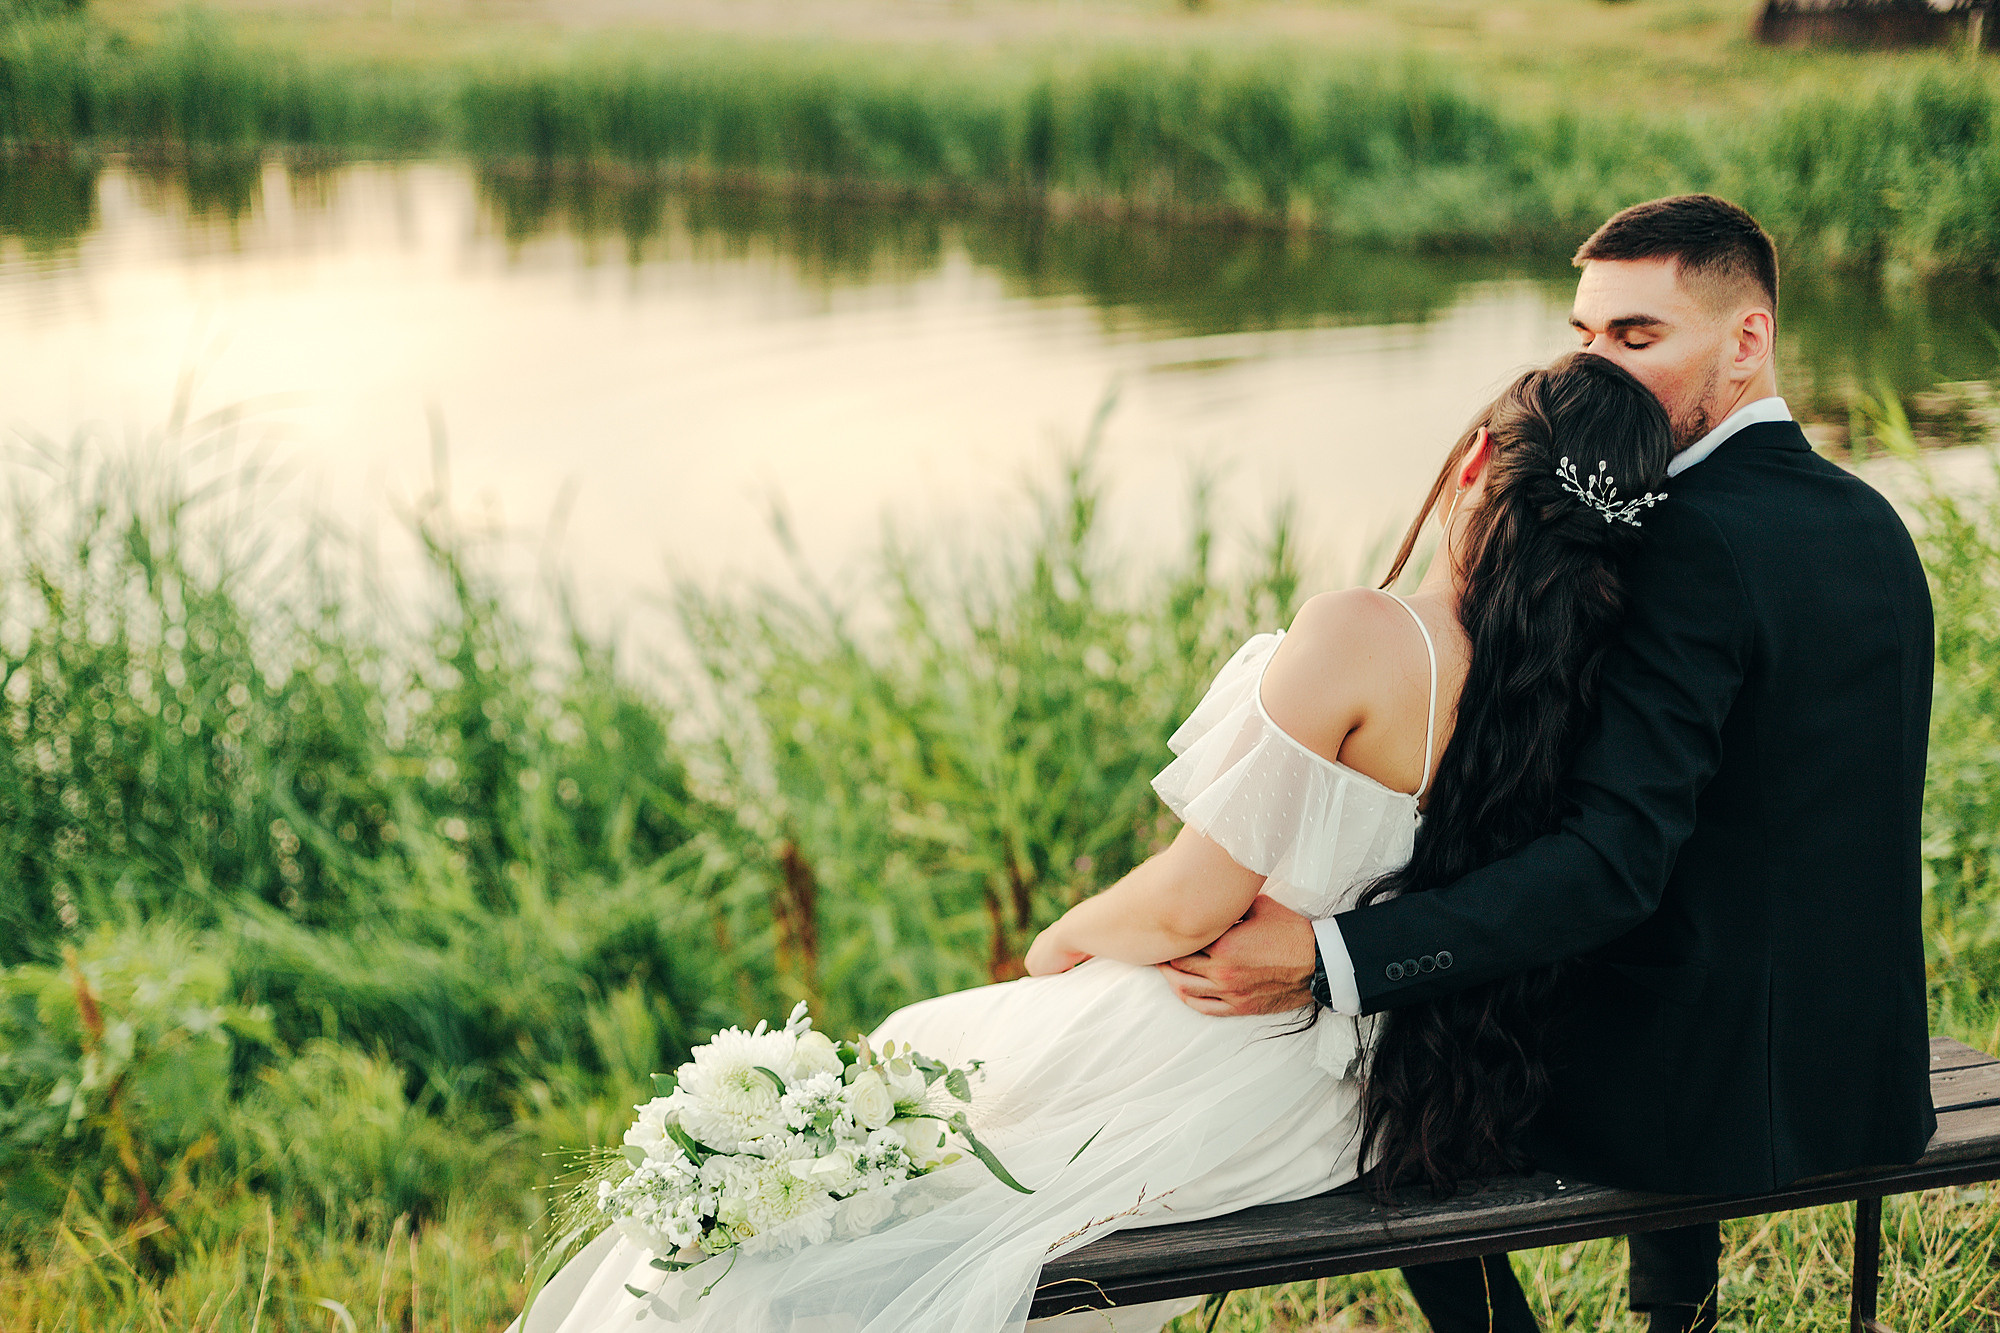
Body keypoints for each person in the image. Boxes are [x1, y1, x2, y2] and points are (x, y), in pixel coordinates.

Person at [511, 351, 1676, 1333]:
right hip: (1356, 1101)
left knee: (903, 1084)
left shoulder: (1364, 635)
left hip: (1228, 1050)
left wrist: (1061, 937)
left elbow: (1187, 908)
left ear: (1473, 463)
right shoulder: (1582, 688)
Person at [1158, 194, 1937, 1333]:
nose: (1596, 368)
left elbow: (1610, 867)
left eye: (1634, 337)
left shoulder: (1673, 536)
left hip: (1702, 1099)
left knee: (1382, 1081)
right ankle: (1680, 1311)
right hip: (1857, 1070)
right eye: (1583, 335)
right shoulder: (1871, 521)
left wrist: (1333, 952)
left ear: (1746, 339)